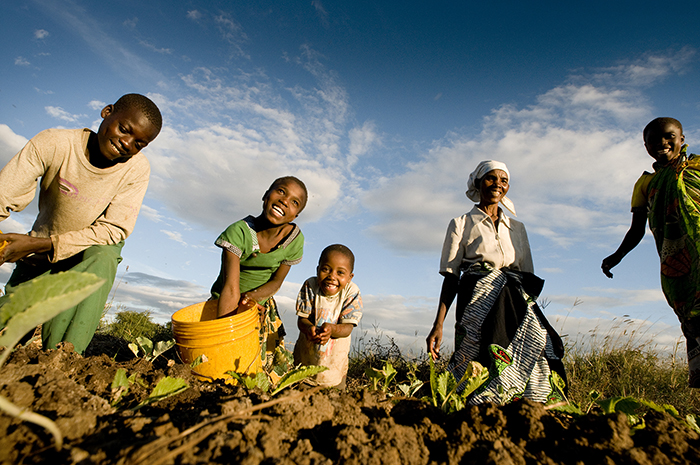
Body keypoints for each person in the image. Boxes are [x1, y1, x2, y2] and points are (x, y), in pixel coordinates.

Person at [0, 93, 162, 354]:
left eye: (139, 143)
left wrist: (45, 244)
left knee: (104, 255)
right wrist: (32, 246)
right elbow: (4, 193)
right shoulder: (55, 143)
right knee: (7, 332)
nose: (127, 144)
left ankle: (62, 359)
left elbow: (114, 229)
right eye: (124, 130)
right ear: (107, 112)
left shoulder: (136, 170)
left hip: (85, 257)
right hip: (37, 256)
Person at [426, 160, 566, 404]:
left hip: (512, 299)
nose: (498, 184)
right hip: (477, 301)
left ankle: (526, 402)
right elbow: (451, 275)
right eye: (491, 178)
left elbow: (526, 274)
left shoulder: (517, 228)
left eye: (504, 180)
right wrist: (438, 324)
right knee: (481, 352)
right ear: (478, 182)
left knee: (534, 344)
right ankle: (476, 405)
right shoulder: (460, 224)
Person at [602, 117, 700, 387]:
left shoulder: (698, 168)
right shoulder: (645, 184)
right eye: (653, 140)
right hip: (678, 266)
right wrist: (616, 256)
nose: (662, 143)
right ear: (645, 145)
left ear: (681, 138)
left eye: (669, 136)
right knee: (694, 324)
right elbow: (636, 230)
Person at [210, 176, 306, 366]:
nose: (285, 201)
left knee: (261, 366)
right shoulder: (239, 231)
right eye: (281, 191)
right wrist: (228, 332)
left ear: (295, 216)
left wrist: (252, 299)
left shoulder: (294, 240)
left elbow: (276, 282)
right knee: (218, 355)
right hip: (225, 304)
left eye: (294, 202)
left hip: (260, 304)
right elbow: (230, 288)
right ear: (265, 195)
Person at [293, 244, 363, 388]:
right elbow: (302, 320)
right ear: (317, 270)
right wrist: (309, 329)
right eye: (326, 269)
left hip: (335, 366)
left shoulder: (351, 292)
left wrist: (332, 330)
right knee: (299, 399)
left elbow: (348, 328)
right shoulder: (311, 286)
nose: (332, 276)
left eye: (340, 273)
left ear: (350, 277)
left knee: (334, 401)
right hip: (305, 362)